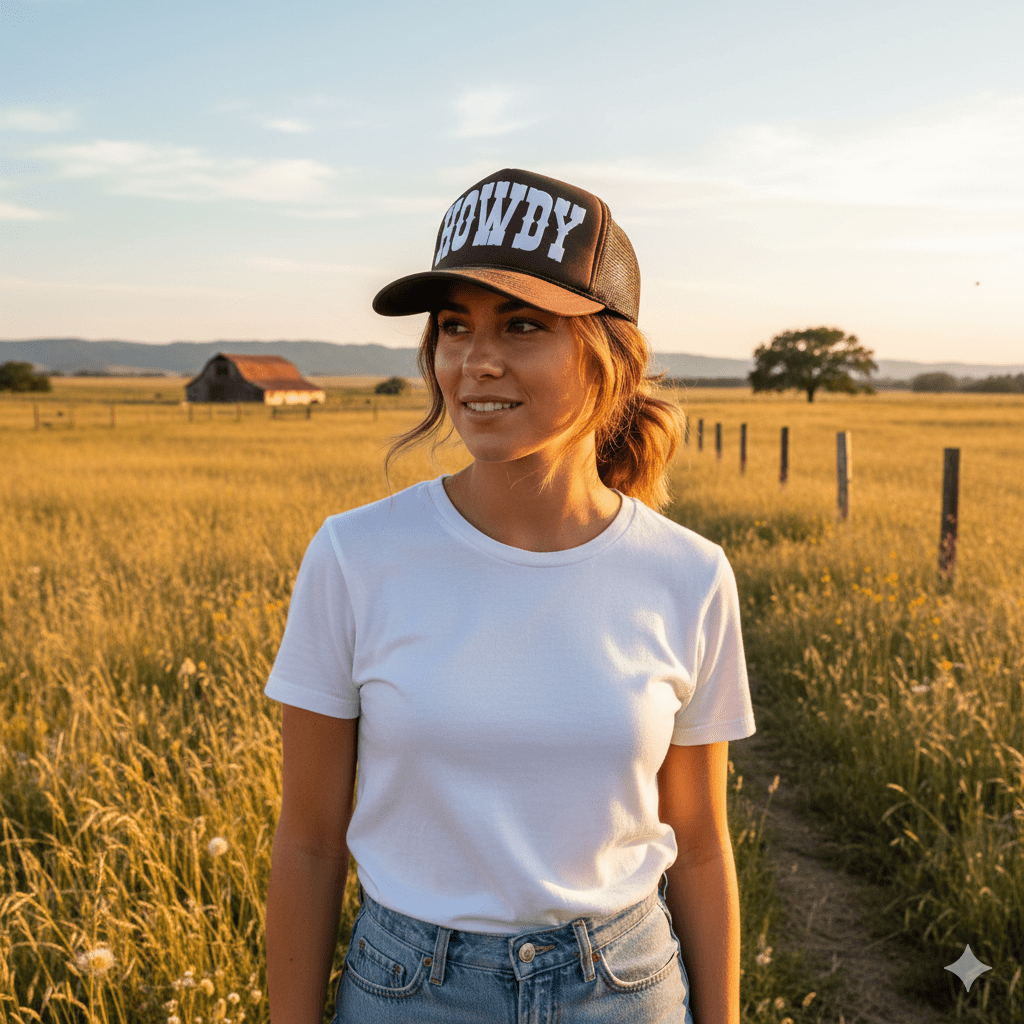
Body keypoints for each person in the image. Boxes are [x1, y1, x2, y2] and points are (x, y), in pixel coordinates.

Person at [264, 168, 756, 1024]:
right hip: (409, 991)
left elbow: (703, 849)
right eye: (456, 327)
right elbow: (307, 843)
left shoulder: (689, 574)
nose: (476, 361)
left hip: (625, 989)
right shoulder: (355, 555)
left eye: (523, 326)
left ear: (608, 357)